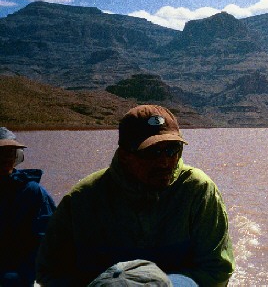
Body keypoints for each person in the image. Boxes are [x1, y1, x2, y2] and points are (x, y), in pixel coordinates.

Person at [36, 104, 235, 286]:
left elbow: (217, 269)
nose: (165, 162)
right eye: (152, 152)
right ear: (125, 156)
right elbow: (50, 270)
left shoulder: (197, 190)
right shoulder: (83, 199)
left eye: (172, 149)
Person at [0, 127, 56, 287]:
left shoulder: (33, 192)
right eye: (1, 152)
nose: (5, 158)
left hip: (20, 273)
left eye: (10, 152)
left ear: (16, 156)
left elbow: (48, 239)